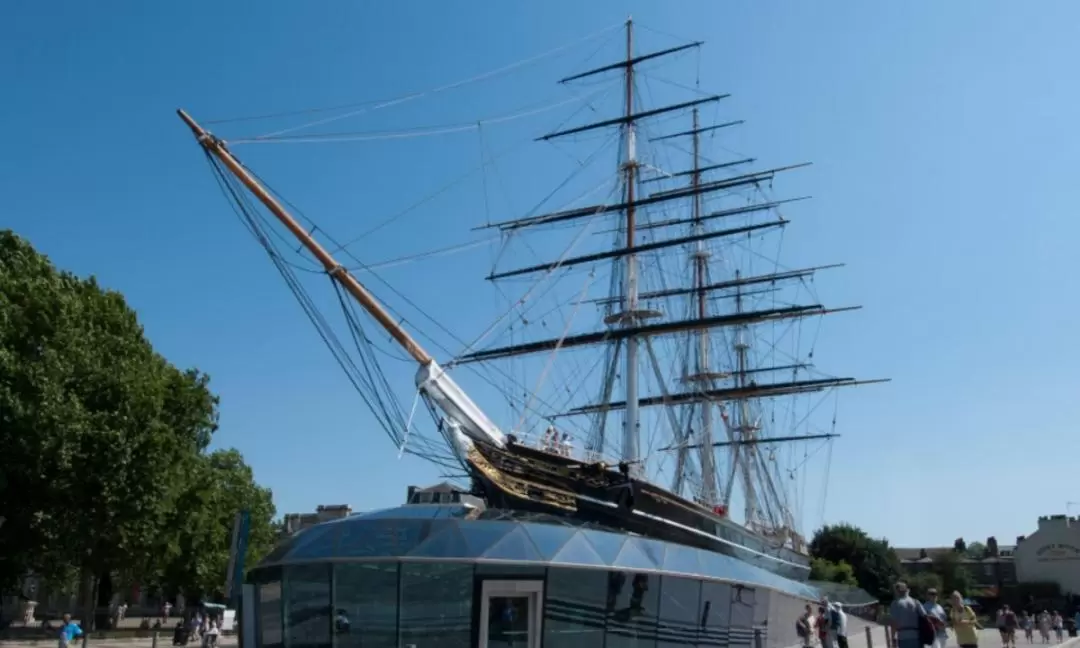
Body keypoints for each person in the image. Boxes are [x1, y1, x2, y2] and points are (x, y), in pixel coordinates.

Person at [889, 581, 925, 648]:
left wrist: (893, 638)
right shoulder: (916, 602)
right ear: (906, 590)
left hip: (903, 637)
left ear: (897, 591)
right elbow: (925, 617)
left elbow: (893, 623)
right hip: (917, 636)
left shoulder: (895, 604)